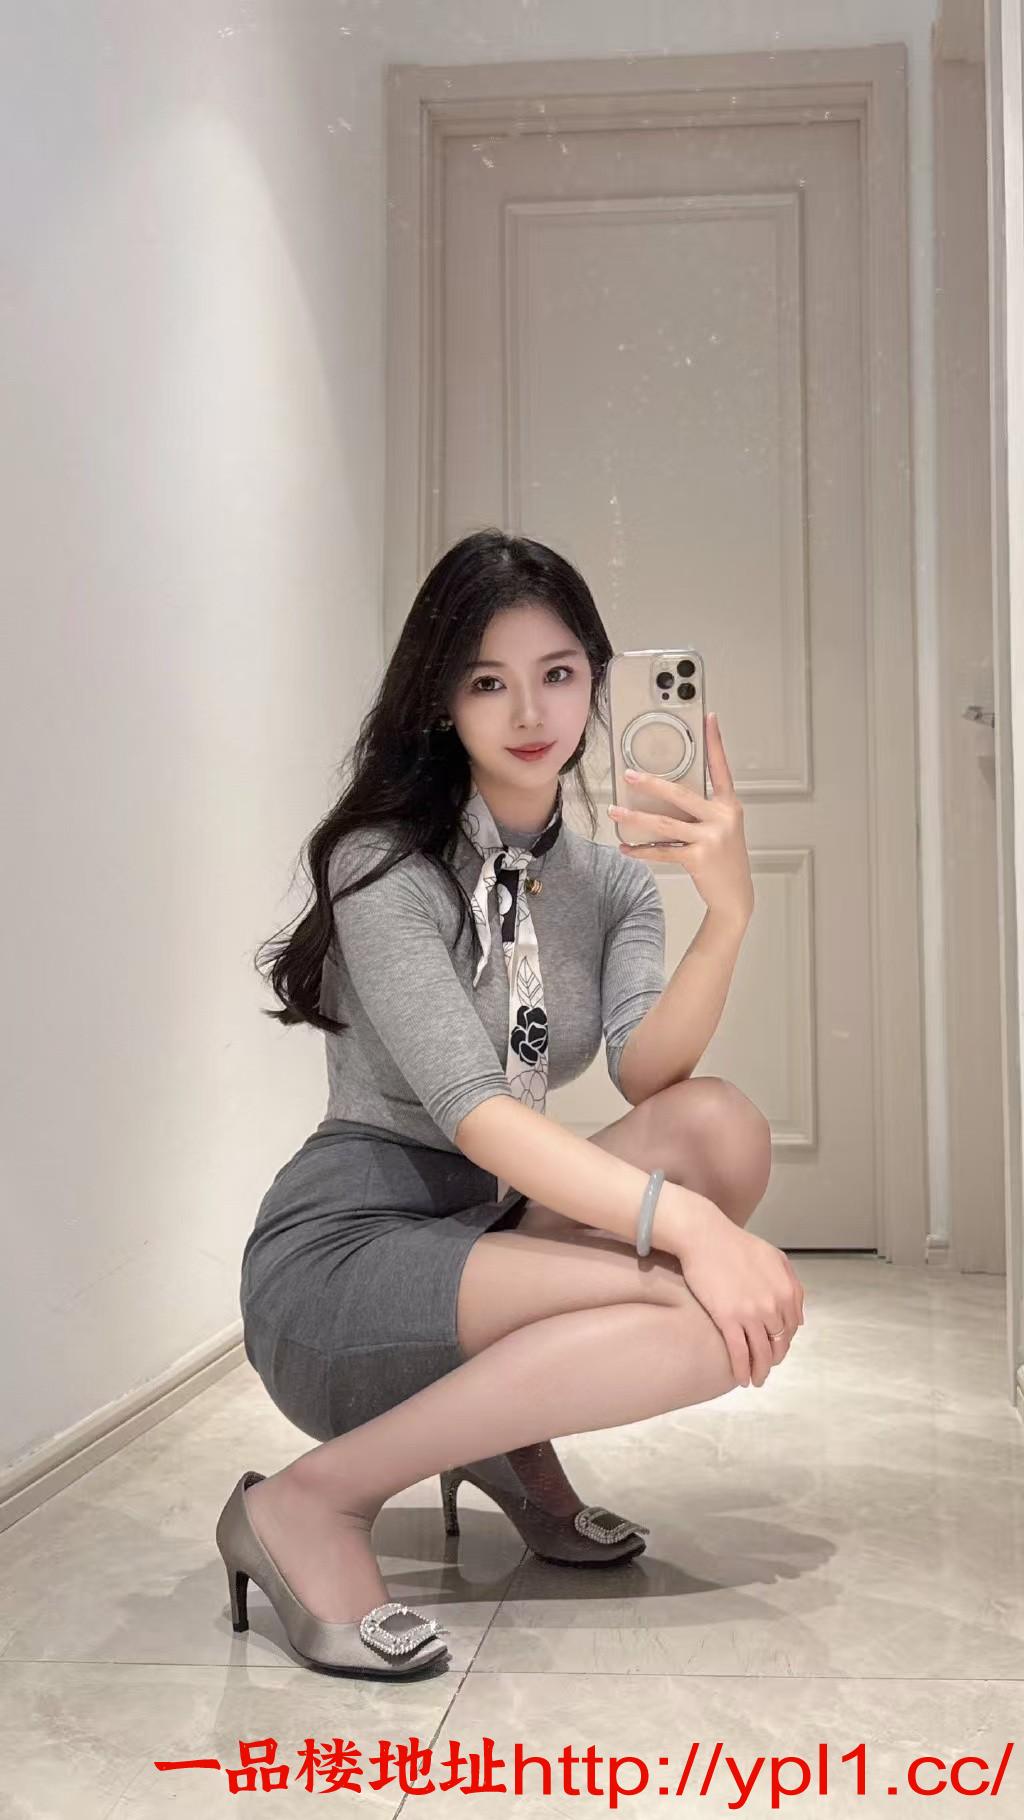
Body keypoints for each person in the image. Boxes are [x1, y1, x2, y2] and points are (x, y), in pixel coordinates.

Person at [215, 527, 805, 1680]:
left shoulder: (611, 884)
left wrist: (728, 914)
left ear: (595, 680)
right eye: (487, 681)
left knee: (718, 1124)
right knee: (701, 1314)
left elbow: (648, 1074)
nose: (529, 711)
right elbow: (476, 1113)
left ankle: (497, 1435)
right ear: (441, 701)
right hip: (348, 1253)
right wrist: (689, 1229)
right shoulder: (384, 862)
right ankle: (307, 1500)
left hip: (484, 1227)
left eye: (557, 672)